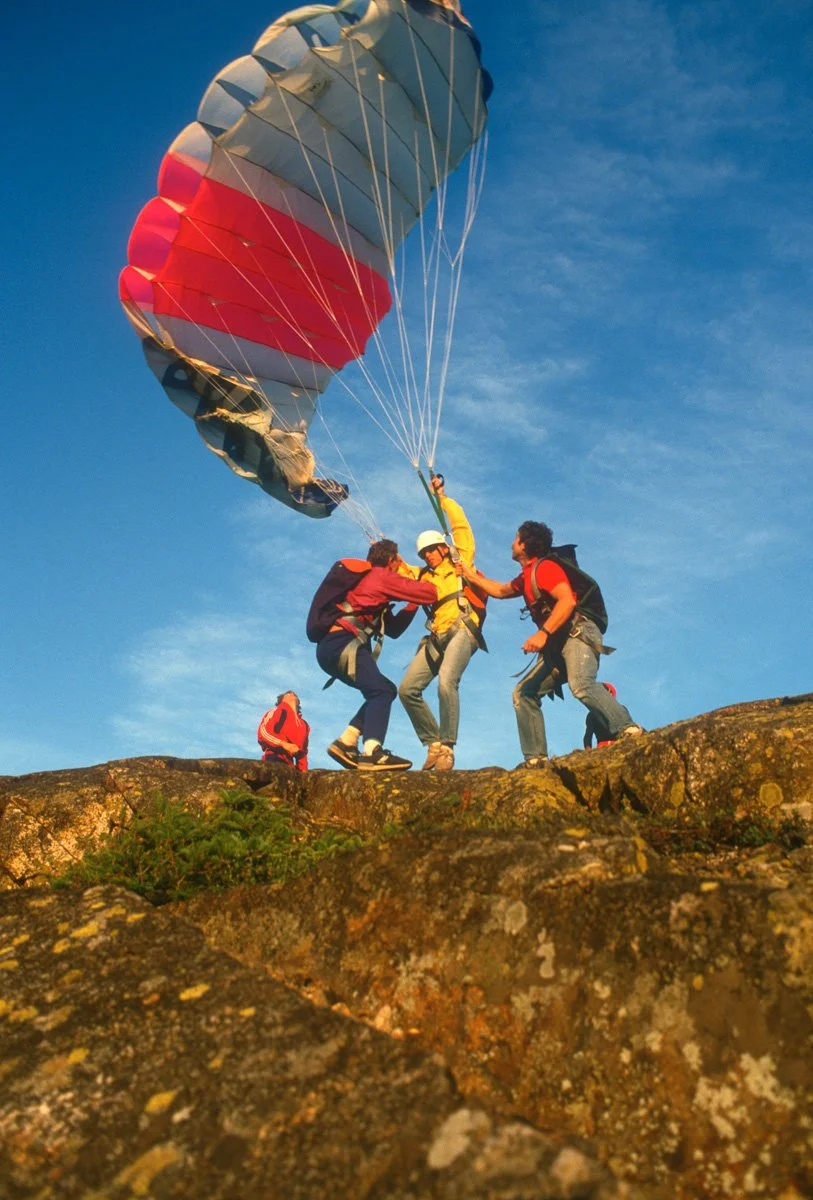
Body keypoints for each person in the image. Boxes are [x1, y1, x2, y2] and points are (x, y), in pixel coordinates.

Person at [461, 521, 643, 766]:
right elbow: (502, 590)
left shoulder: (545, 568)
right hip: (559, 643)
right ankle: (536, 760)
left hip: (578, 633)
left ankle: (628, 730)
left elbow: (566, 601)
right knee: (524, 693)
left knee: (581, 684)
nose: (512, 543)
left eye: (516, 539)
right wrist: (469, 575)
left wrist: (543, 633)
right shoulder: (527, 577)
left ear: (524, 545)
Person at [316, 539, 438, 772]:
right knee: (380, 692)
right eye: (397, 561)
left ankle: (347, 741)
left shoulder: (367, 581)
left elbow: (393, 630)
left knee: (385, 689)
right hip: (343, 643)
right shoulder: (381, 576)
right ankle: (372, 752)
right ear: (391, 560)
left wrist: (411, 604)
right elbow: (430, 592)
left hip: (330, 648)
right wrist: (416, 575)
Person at [398, 475, 486, 770]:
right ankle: (432, 743)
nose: (427, 556)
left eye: (430, 551)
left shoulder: (462, 560)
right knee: (407, 689)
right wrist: (384, 551)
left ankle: (447, 747)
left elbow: (461, 527)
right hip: (437, 636)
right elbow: (400, 571)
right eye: (423, 554)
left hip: (463, 628)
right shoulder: (423, 575)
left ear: (442, 548)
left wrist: (442, 498)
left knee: (447, 681)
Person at [257, 691, 310, 771]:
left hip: (290, 766)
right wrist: (283, 744)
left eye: (294, 694)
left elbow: (302, 754)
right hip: (273, 758)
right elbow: (263, 732)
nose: (292, 693)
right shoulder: (278, 710)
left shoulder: (304, 725)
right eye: (288, 693)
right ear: (281, 700)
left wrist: (304, 775)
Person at [583, 682, 618, 748]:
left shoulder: (592, 714)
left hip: (610, 747)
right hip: (609, 747)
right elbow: (588, 736)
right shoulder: (592, 714)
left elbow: (587, 737)